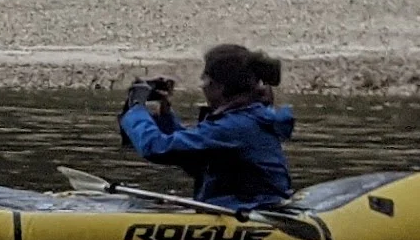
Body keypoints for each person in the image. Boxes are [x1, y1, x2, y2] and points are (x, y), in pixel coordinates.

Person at [118, 43, 295, 207]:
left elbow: (156, 147)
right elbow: (191, 157)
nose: (202, 88)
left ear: (219, 86)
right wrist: (165, 113)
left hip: (250, 212)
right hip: (248, 207)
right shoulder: (250, 118)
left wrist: (136, 108)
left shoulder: (236, 126)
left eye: (204, 81)